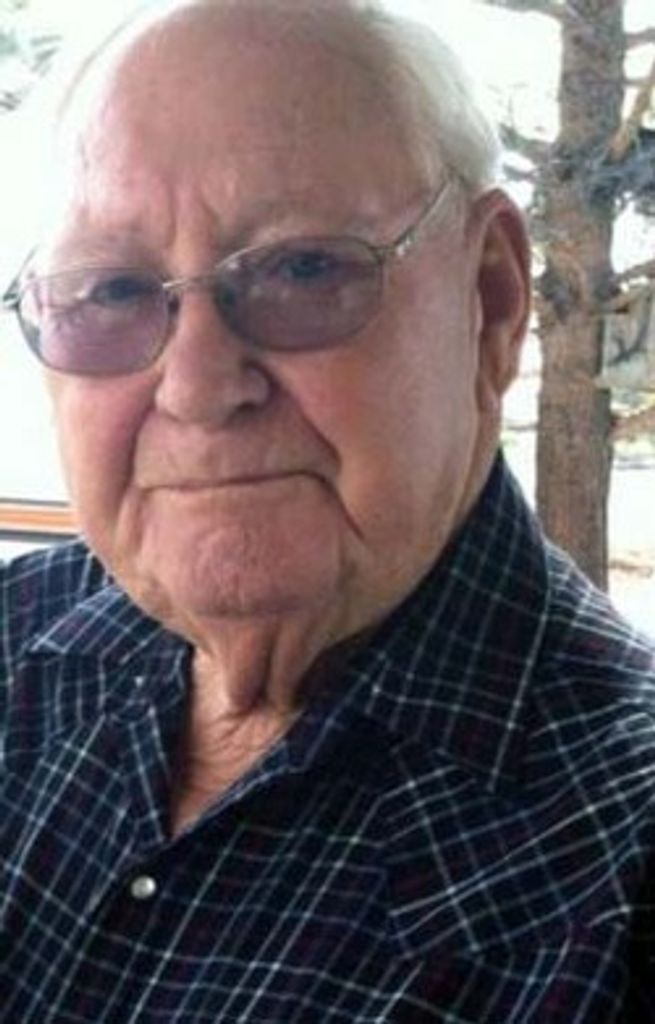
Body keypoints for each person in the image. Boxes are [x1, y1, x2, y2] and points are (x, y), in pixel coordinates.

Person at [1, 1, 654, 1020]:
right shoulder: (17, 639)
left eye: (302, 269)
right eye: (115, 292)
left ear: (489, 300)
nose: (197, 386)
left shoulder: (616, 884)